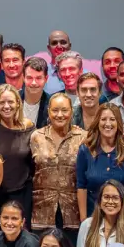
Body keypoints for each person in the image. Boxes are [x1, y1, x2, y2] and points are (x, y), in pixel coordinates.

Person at [75, 103, 124, 220]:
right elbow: (81, 186)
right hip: (93, 217)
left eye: (112, 119)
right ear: (97, 122)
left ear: (118, 123)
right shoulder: (85, 150)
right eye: (103, 119)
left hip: (123, 217)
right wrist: (83, 219)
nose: (108, 124)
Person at [30, 94, 84, 236]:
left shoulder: (84, 137)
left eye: (64, 110)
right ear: (48, 111)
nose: (60, 115)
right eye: (55, 110)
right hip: (42, 210)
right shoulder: (36, 137)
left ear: (71, 111)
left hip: (74, 212)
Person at [0, 85, 36, 225]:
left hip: (23, 193)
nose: (6, 106)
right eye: (2, 102)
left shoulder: (29, 128)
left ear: (18, 103)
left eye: (10, 102)